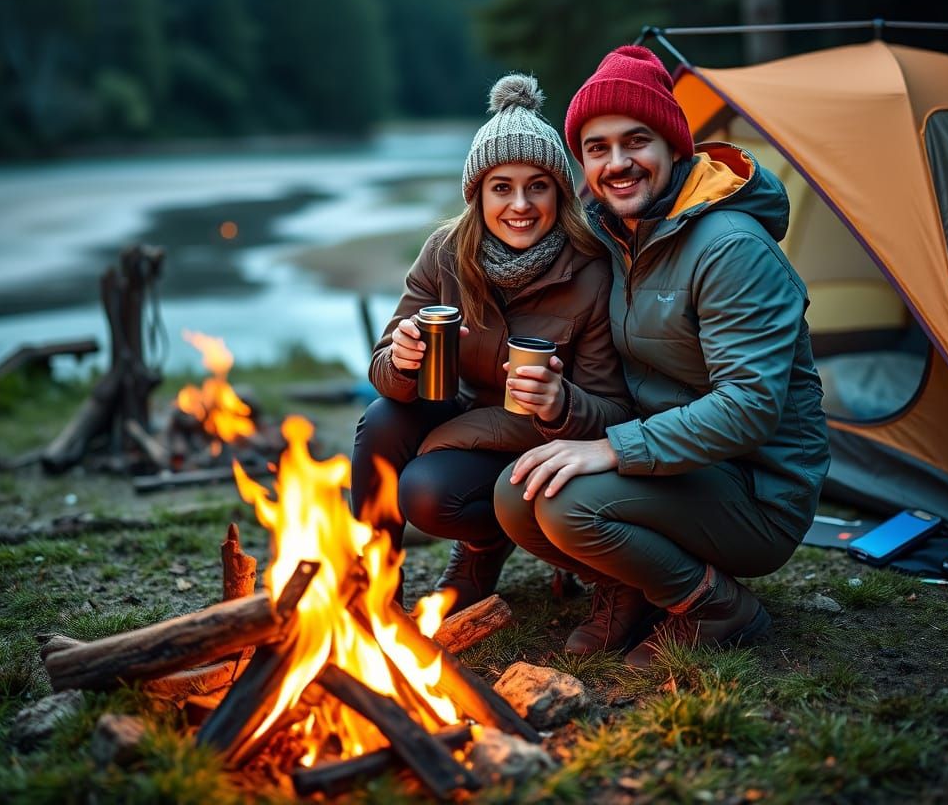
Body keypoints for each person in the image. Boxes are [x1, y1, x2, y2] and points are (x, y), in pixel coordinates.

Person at [494, 45, 831, 664]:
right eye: (597, 148)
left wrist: (611, 448)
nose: (617, 164)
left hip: (758, 492)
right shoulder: (615, 233)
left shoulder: (731, 248)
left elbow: (750, 407)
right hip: (680, 466)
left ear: (675, 147)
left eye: (636, 142)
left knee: (568, 504)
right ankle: (631, 588)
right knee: (517, 492)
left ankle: (718, 607)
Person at [351, 73, 632, 614]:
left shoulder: (593, 271)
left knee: (426, 492)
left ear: (561, 191)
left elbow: (613, 409)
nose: (520, 205)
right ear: (477, 194)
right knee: (382, 419)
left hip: (542, 443)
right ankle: (369, 595)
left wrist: (561, 401)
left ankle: (483, 546)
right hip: (463, 421)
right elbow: (382, 371)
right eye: (501, 187)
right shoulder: (445, 252)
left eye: (538, 185)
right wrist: (402, 360)